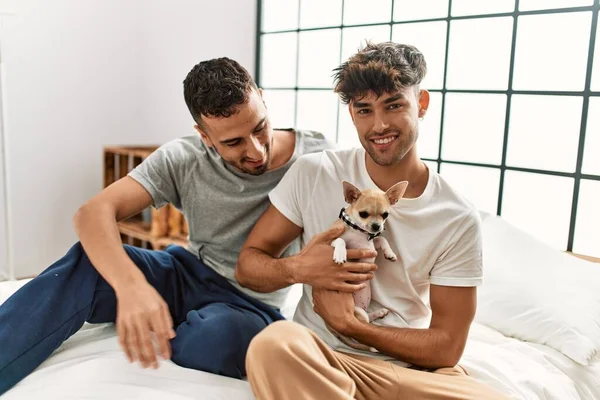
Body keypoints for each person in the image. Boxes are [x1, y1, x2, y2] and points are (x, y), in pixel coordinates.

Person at [0, 57, 333, 396]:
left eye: (259, 127)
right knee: (87, 262)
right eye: (233, 143)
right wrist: (131, 288)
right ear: (203, 135)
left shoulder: (317, 157)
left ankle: (175, 328)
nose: (256, 150)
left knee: (216, 337)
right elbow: (93, 213)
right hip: (183, 273)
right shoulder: (183, 157)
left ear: (262, 97)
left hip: (250, 304)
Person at [236, 42, 510, 400]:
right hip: (318, 357)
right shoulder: (315, 172)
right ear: (352, 114)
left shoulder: (455, 218)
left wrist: (350, 325)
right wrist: (299, 268)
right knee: (272, 344)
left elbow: (446, 347)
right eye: (364, 110)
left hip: (403, 368)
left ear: (421, 103)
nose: (379, 124)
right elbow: (247, 266)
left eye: (393, 105)